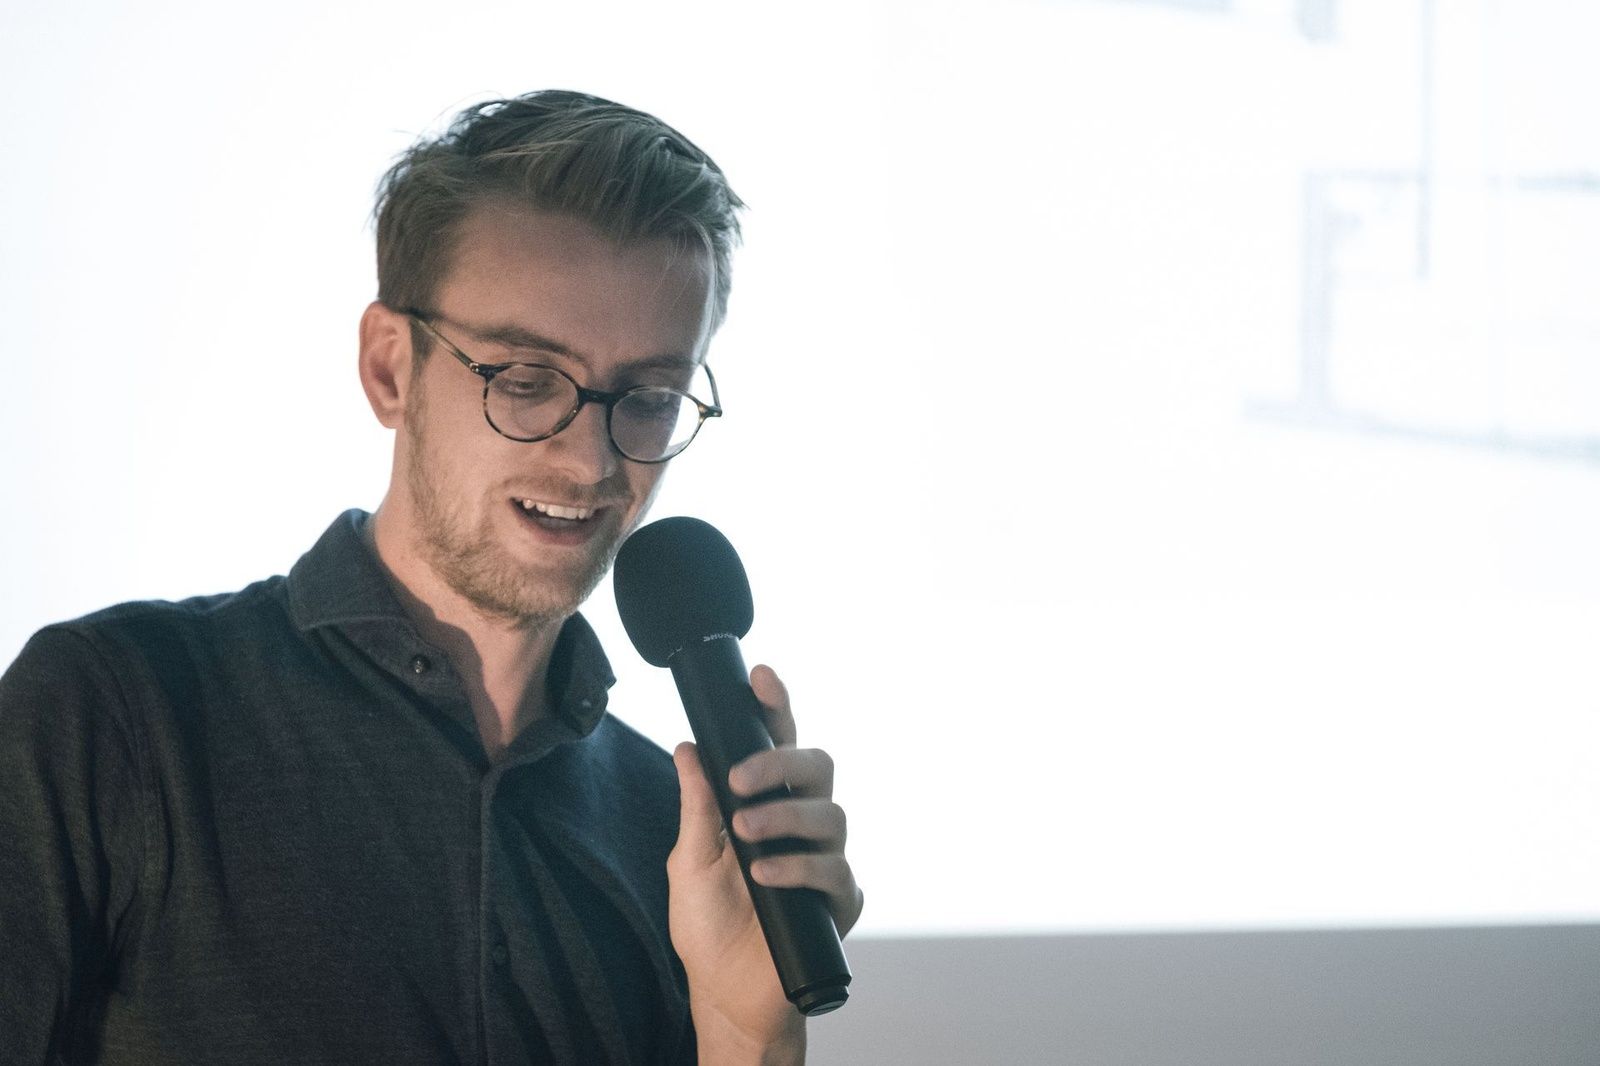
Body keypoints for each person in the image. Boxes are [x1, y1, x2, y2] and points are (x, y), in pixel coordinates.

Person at [0, 90, 861, 1065]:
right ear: (388, 368)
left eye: (651, 397)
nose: (591, 462)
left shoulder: (680, 835)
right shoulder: (114, 715)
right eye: (526, 380)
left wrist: (748, 1032)